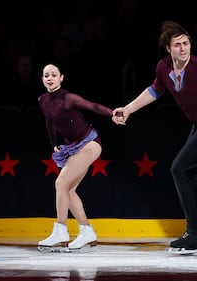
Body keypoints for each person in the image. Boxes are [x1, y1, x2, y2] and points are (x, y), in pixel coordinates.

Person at [112, 20, 197, 252]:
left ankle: (193, 233)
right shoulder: (163, 68)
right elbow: (155, 90)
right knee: (191, 177)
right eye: (178, 45)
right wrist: (128, 109)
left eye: (186, 43)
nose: (183, 48)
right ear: (168, 49)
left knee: (179, 169)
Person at [37, 63, 113, 251]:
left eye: (54, 75)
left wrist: (113, 113)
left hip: (89, 143)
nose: (50, 78)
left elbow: (92, 106)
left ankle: (60, 230)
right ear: (42, 79)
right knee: (68, 190)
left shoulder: (68, 98)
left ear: (61, 78)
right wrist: (53, 143)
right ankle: (87, 232)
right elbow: (50, 121)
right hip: (72, 147)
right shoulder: (43, 100)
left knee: (60, 183)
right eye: (46, 75)